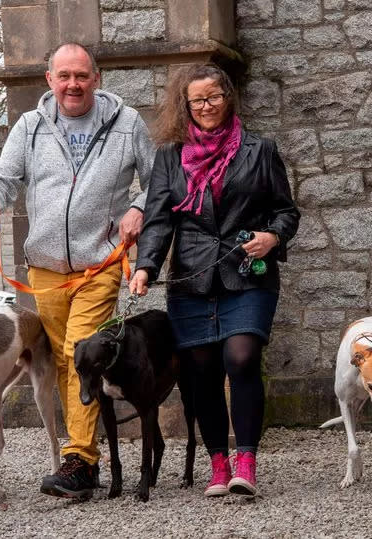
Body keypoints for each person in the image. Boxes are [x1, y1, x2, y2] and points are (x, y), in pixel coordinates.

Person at [129, 63, 299, 497]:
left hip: (248, 273)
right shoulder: (170, 155)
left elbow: (286, 210)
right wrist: (146, 265)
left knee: (241, 357)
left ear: (228, 97)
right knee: (200, 370)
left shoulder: (260, 150)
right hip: (192, 277)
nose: (206, 107)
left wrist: (272, 236)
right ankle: (218, 466)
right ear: (185, 105)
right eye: (197, 100)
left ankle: (246, 461)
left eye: (214, 97)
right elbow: (158, 218)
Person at [0, 42, 154, 499]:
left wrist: (139, 207)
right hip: (44, 268)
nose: (72, 84)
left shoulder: (126, 123)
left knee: (76, 350)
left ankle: (79, 460)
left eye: (81, 75)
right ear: (50, 80)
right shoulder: (30, 125)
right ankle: (83, 463)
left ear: (96, 78)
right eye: (63, 76)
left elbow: (158, 180)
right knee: (67, 361)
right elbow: (6, 178)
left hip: (98, 263)